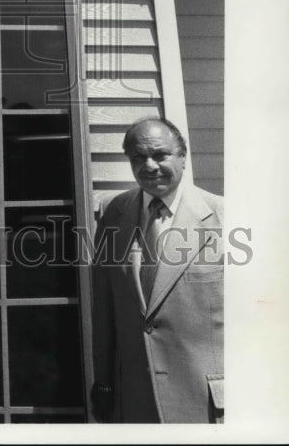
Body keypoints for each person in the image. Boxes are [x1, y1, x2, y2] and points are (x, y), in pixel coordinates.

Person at [90, 117, 224, 423]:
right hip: (136, 401)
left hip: (207, 405)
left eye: (160, 155)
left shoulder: (225, 217)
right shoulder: (114, 213)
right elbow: (105, 309)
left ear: (183, 156)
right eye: (138, 157)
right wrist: (106, 382)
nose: (149, 166)